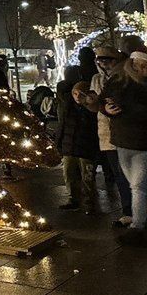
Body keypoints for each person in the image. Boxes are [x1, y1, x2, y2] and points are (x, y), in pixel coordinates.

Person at [88, 49, 147, 245]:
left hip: (142, 142)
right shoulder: (119, 80)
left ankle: (138, 227)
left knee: (138, 186)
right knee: (135, 184)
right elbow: (103, 101)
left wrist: (127, 110)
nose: (141, 69)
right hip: (122, 140)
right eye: (139, 65)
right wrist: (107, 108)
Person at [88, 46, 133, 227]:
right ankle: (128, 211)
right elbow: (95, 105)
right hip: (107, 134)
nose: (103, 63)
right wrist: (91, 102)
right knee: (120, 175)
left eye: (107, 59)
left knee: (134, 175)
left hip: (128, 133)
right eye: (99, 59)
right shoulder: (97, 79)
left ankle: (138, 211)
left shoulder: (125, 76)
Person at [54, 48, 100, 213]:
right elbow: (63, 125)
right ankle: (73, 198)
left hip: (85, 147)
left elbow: (92, 124)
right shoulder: (67, 106)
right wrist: (59, 143)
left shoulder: (89, 108)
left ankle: (89, 202)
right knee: (70, 174)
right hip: (70, 145)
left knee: (87, 176)